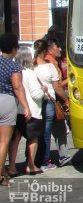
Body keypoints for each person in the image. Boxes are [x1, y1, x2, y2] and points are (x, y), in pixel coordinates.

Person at [8, 46, 45, 176]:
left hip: (16, 109)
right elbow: (36, 95)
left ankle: (12, 166)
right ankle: (31, 165)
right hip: (31, 110)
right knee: (33, 138)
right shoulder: (30, 73)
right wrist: (43, 90)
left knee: (15, 138)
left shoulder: (13, 71)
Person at [0, 33, 31, 185]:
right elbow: (17, 87)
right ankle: (1, 176)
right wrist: (25, 107)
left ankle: (3, 171)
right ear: (14, 49)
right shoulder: (14, 66)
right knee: (4, 141)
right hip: (6, 101)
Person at [33, 39, 69, 170]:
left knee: (36, 133)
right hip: (49, 103)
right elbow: (58, 88)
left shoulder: (31, 66)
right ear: (45, 51)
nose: (60, 49)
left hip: (35, 102)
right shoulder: (49, 66)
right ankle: (45, 161)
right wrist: (66, 100)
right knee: (47, 132)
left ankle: (33, 160)